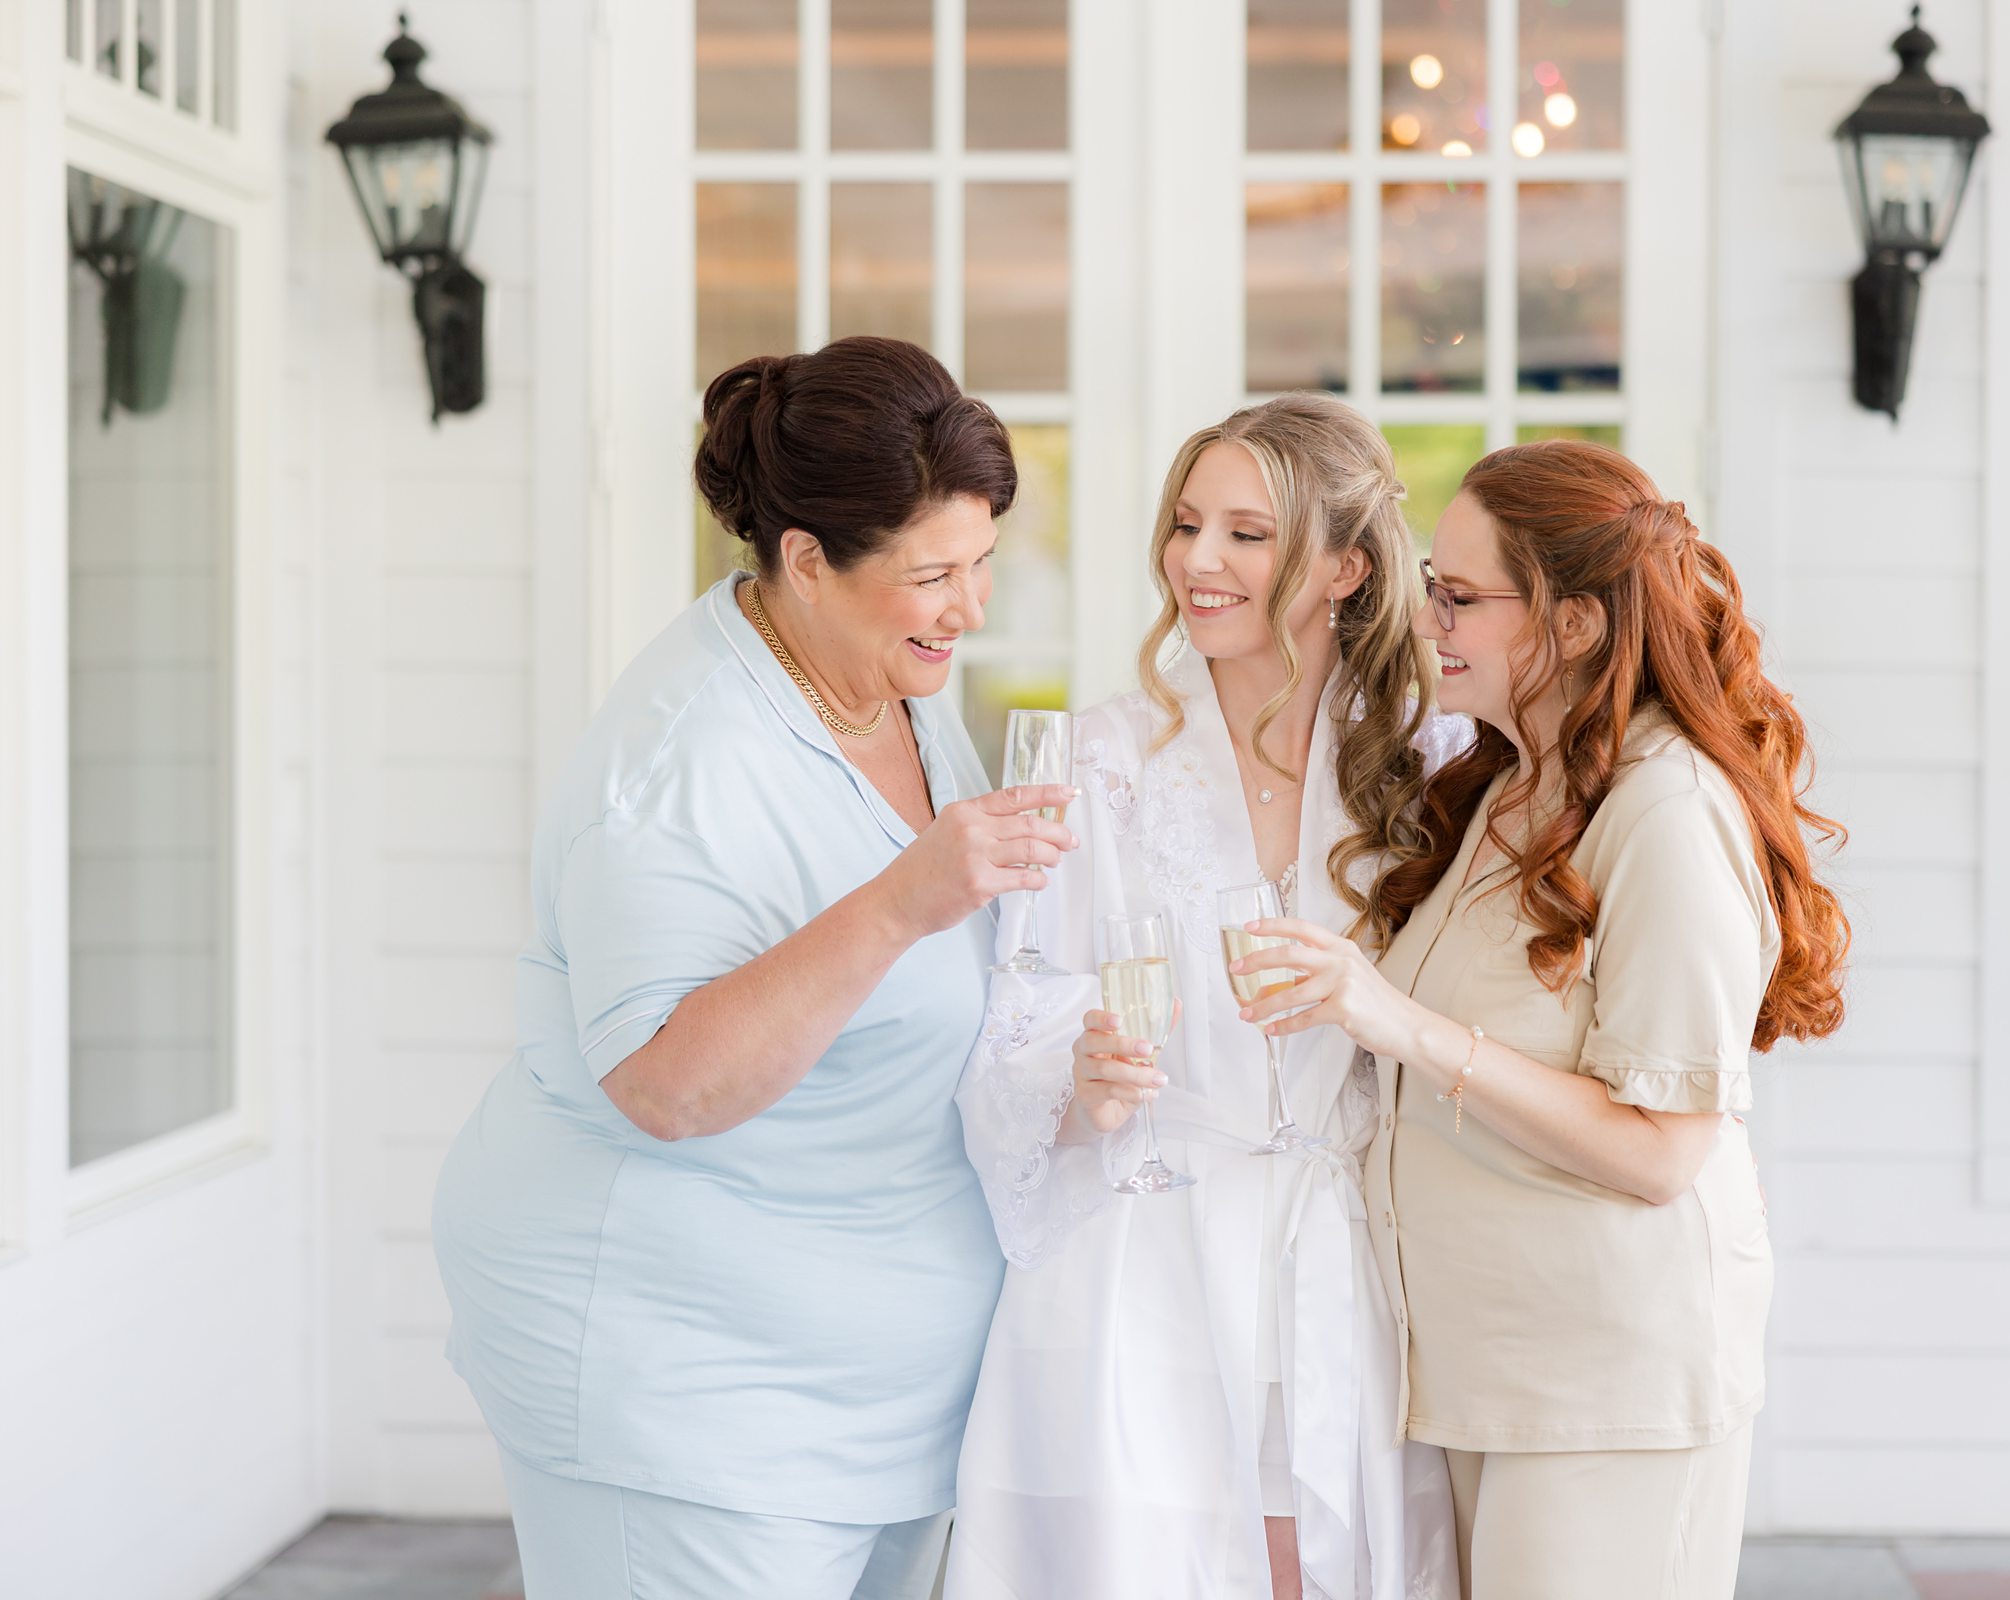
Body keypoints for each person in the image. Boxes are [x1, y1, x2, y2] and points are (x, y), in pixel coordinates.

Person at [430, 337, 1076, 1599]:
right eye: (933, 573)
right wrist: (900, 903)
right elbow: (667, 1084)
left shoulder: (882, 681)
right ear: (805, 560)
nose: (972, 607)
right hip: (690, 1382)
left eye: (982, 562)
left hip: (878, 1383)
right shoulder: (678, 763)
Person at [1229, 440, 1851, 1599]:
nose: (1428, 619)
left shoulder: (1665, 805)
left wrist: (1403, 1028)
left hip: (1605, 1381)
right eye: (1431, 584)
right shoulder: (1512, 779)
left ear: (1571, 625)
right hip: (1488, 1370)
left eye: (1461, 597)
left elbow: (1663, 1149)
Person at [947, 395, 1461, 1600]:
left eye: (1246, 533)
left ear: (1343, 567)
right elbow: (1016, 1010)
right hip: (1150, 1257)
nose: (1198, 562)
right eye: (1187, 526)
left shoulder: (1428, 770)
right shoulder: (1098, 762)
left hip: (1351, 1259)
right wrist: (1073, 1073)